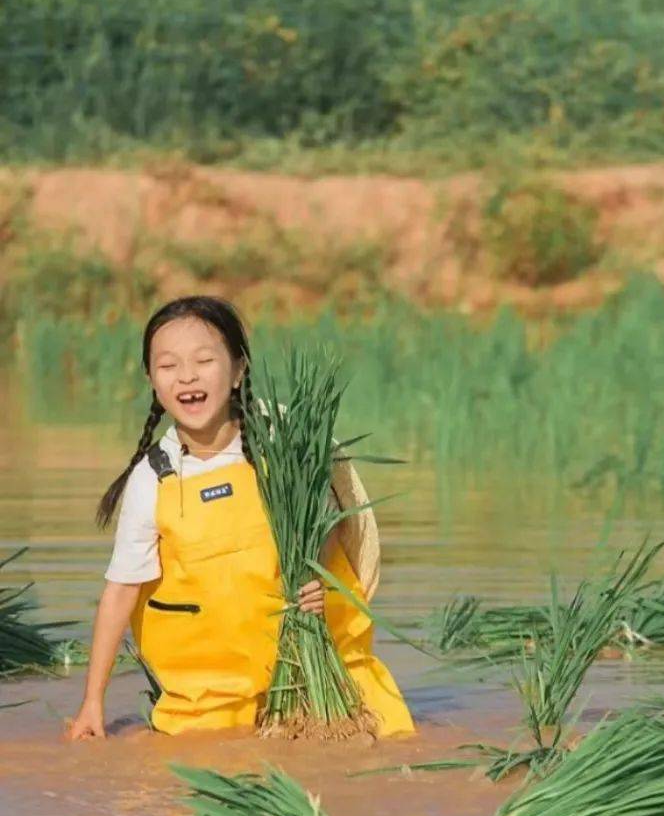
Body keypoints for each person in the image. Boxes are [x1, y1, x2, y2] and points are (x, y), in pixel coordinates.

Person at [68, 295, 414, 738]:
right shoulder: (152, 478)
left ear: (238, 369)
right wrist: (92, 704)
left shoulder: (285, 442)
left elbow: (329, 524)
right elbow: (121, 591)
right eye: (168, 365)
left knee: (386, 739)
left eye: (204, 360)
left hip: (320, 666)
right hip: (214, 693)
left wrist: (317, 578)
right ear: (152, 381)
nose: (187, 376)